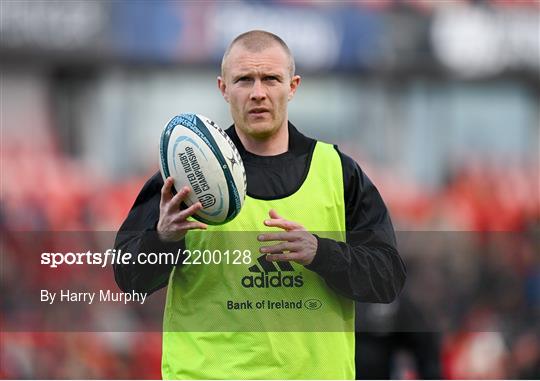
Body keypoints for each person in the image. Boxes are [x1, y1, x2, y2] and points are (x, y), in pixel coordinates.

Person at [114, 30, 406, 380]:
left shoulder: (338, 173)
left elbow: (388, 278)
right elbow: (128, 278)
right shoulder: (184, 173)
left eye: (270, 79)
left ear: (293, 86)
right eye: (244, 80)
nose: (258, 93)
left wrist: (320, 252)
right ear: (223, 88)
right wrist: (162, 239)